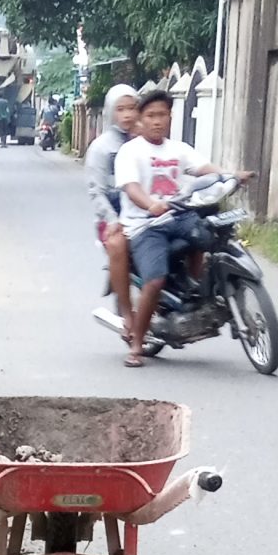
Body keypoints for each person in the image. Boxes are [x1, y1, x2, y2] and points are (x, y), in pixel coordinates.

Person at [114, 86, 225, 365]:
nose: (156, 121)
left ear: (170, 117)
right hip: (145, 226)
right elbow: (131, 187)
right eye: (150, 115)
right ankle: (137, 344)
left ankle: (201, 294)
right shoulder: (130, 152)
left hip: (178, 216)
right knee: (155, 280)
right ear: (140, 119)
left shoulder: (179, 149)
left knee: (212, 233)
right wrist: (150, 204)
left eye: (162, 115)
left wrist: (230, 176)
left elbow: (205, 170)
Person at [84, 84, 141, 337]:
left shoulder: (145, 142)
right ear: (110, 112)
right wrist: (112, 219)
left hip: (144, 212)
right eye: (121, 109)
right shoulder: (102, 147)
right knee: (121, 247)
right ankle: (128, 318)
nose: (128, 115)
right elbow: (96, 191)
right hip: (114, 217)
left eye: (132, 108)